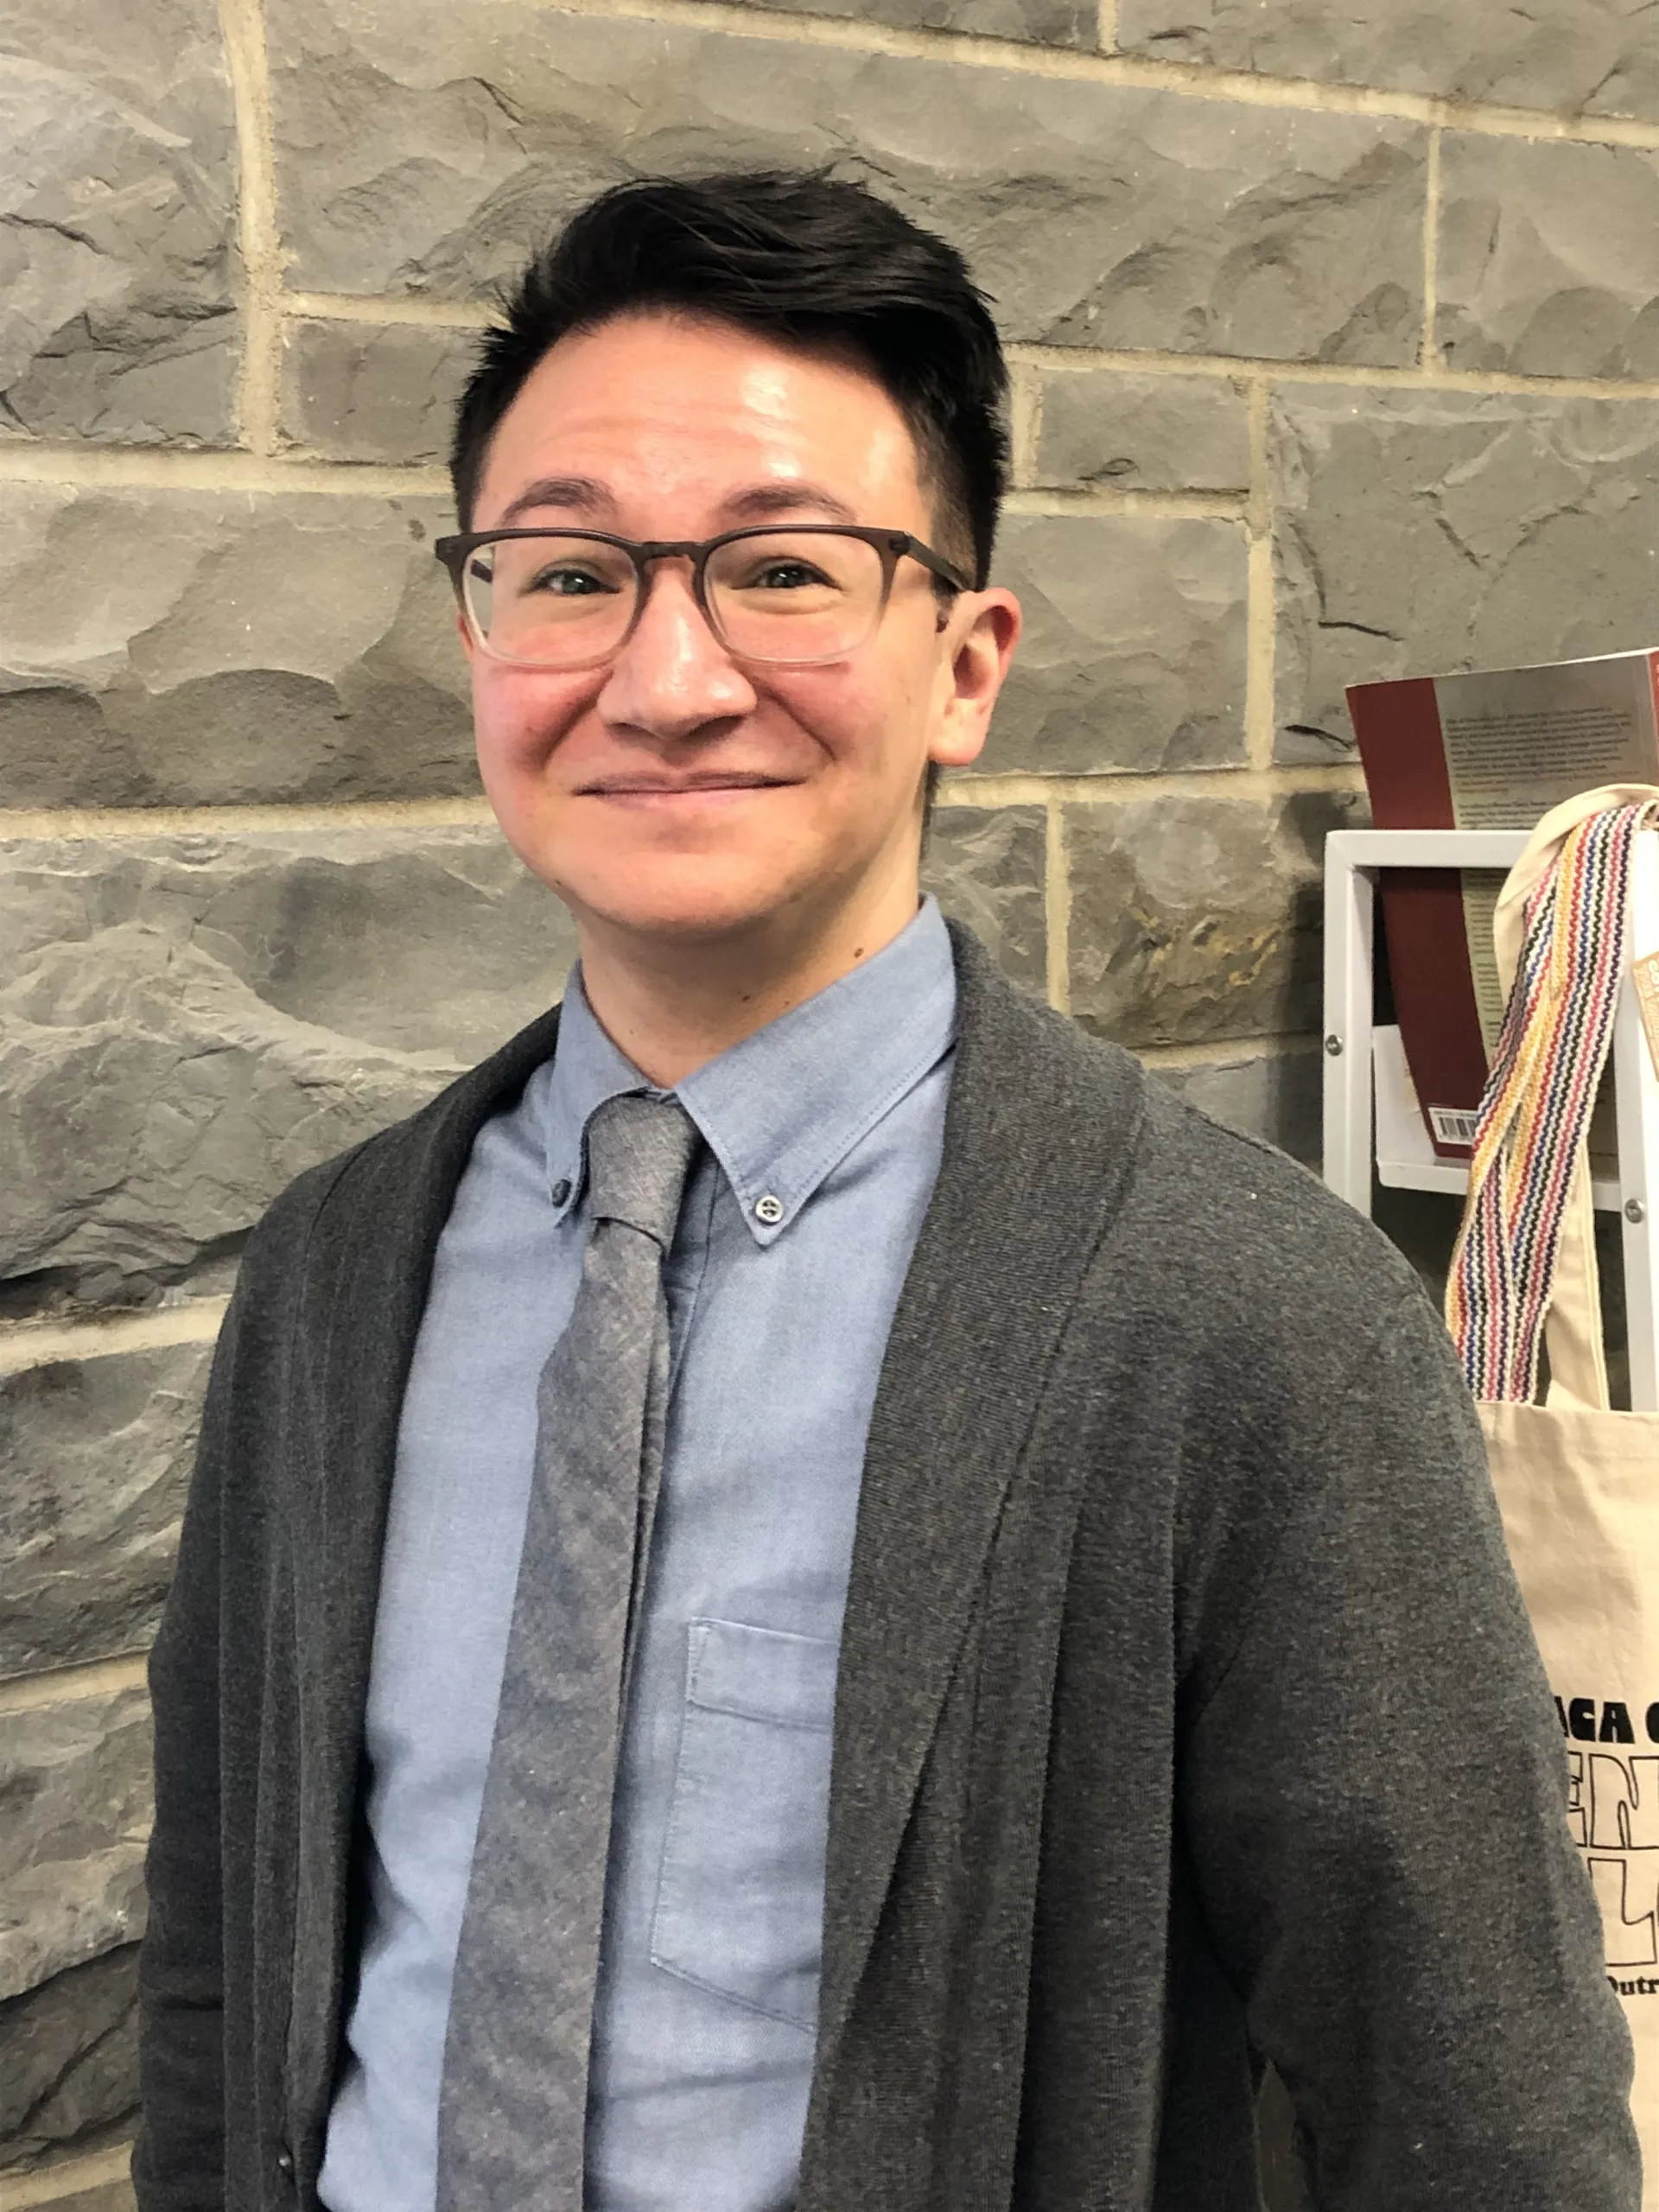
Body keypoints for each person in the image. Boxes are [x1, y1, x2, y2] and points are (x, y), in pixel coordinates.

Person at [133, 169, 1637, 2212]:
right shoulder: (332, 1275)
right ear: (475, 623)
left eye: (782, 569)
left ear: (967, 659)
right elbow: (230, 1965)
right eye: (567, 572)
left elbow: (1479, 2115)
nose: (662, 679)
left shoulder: (1242, 1311)